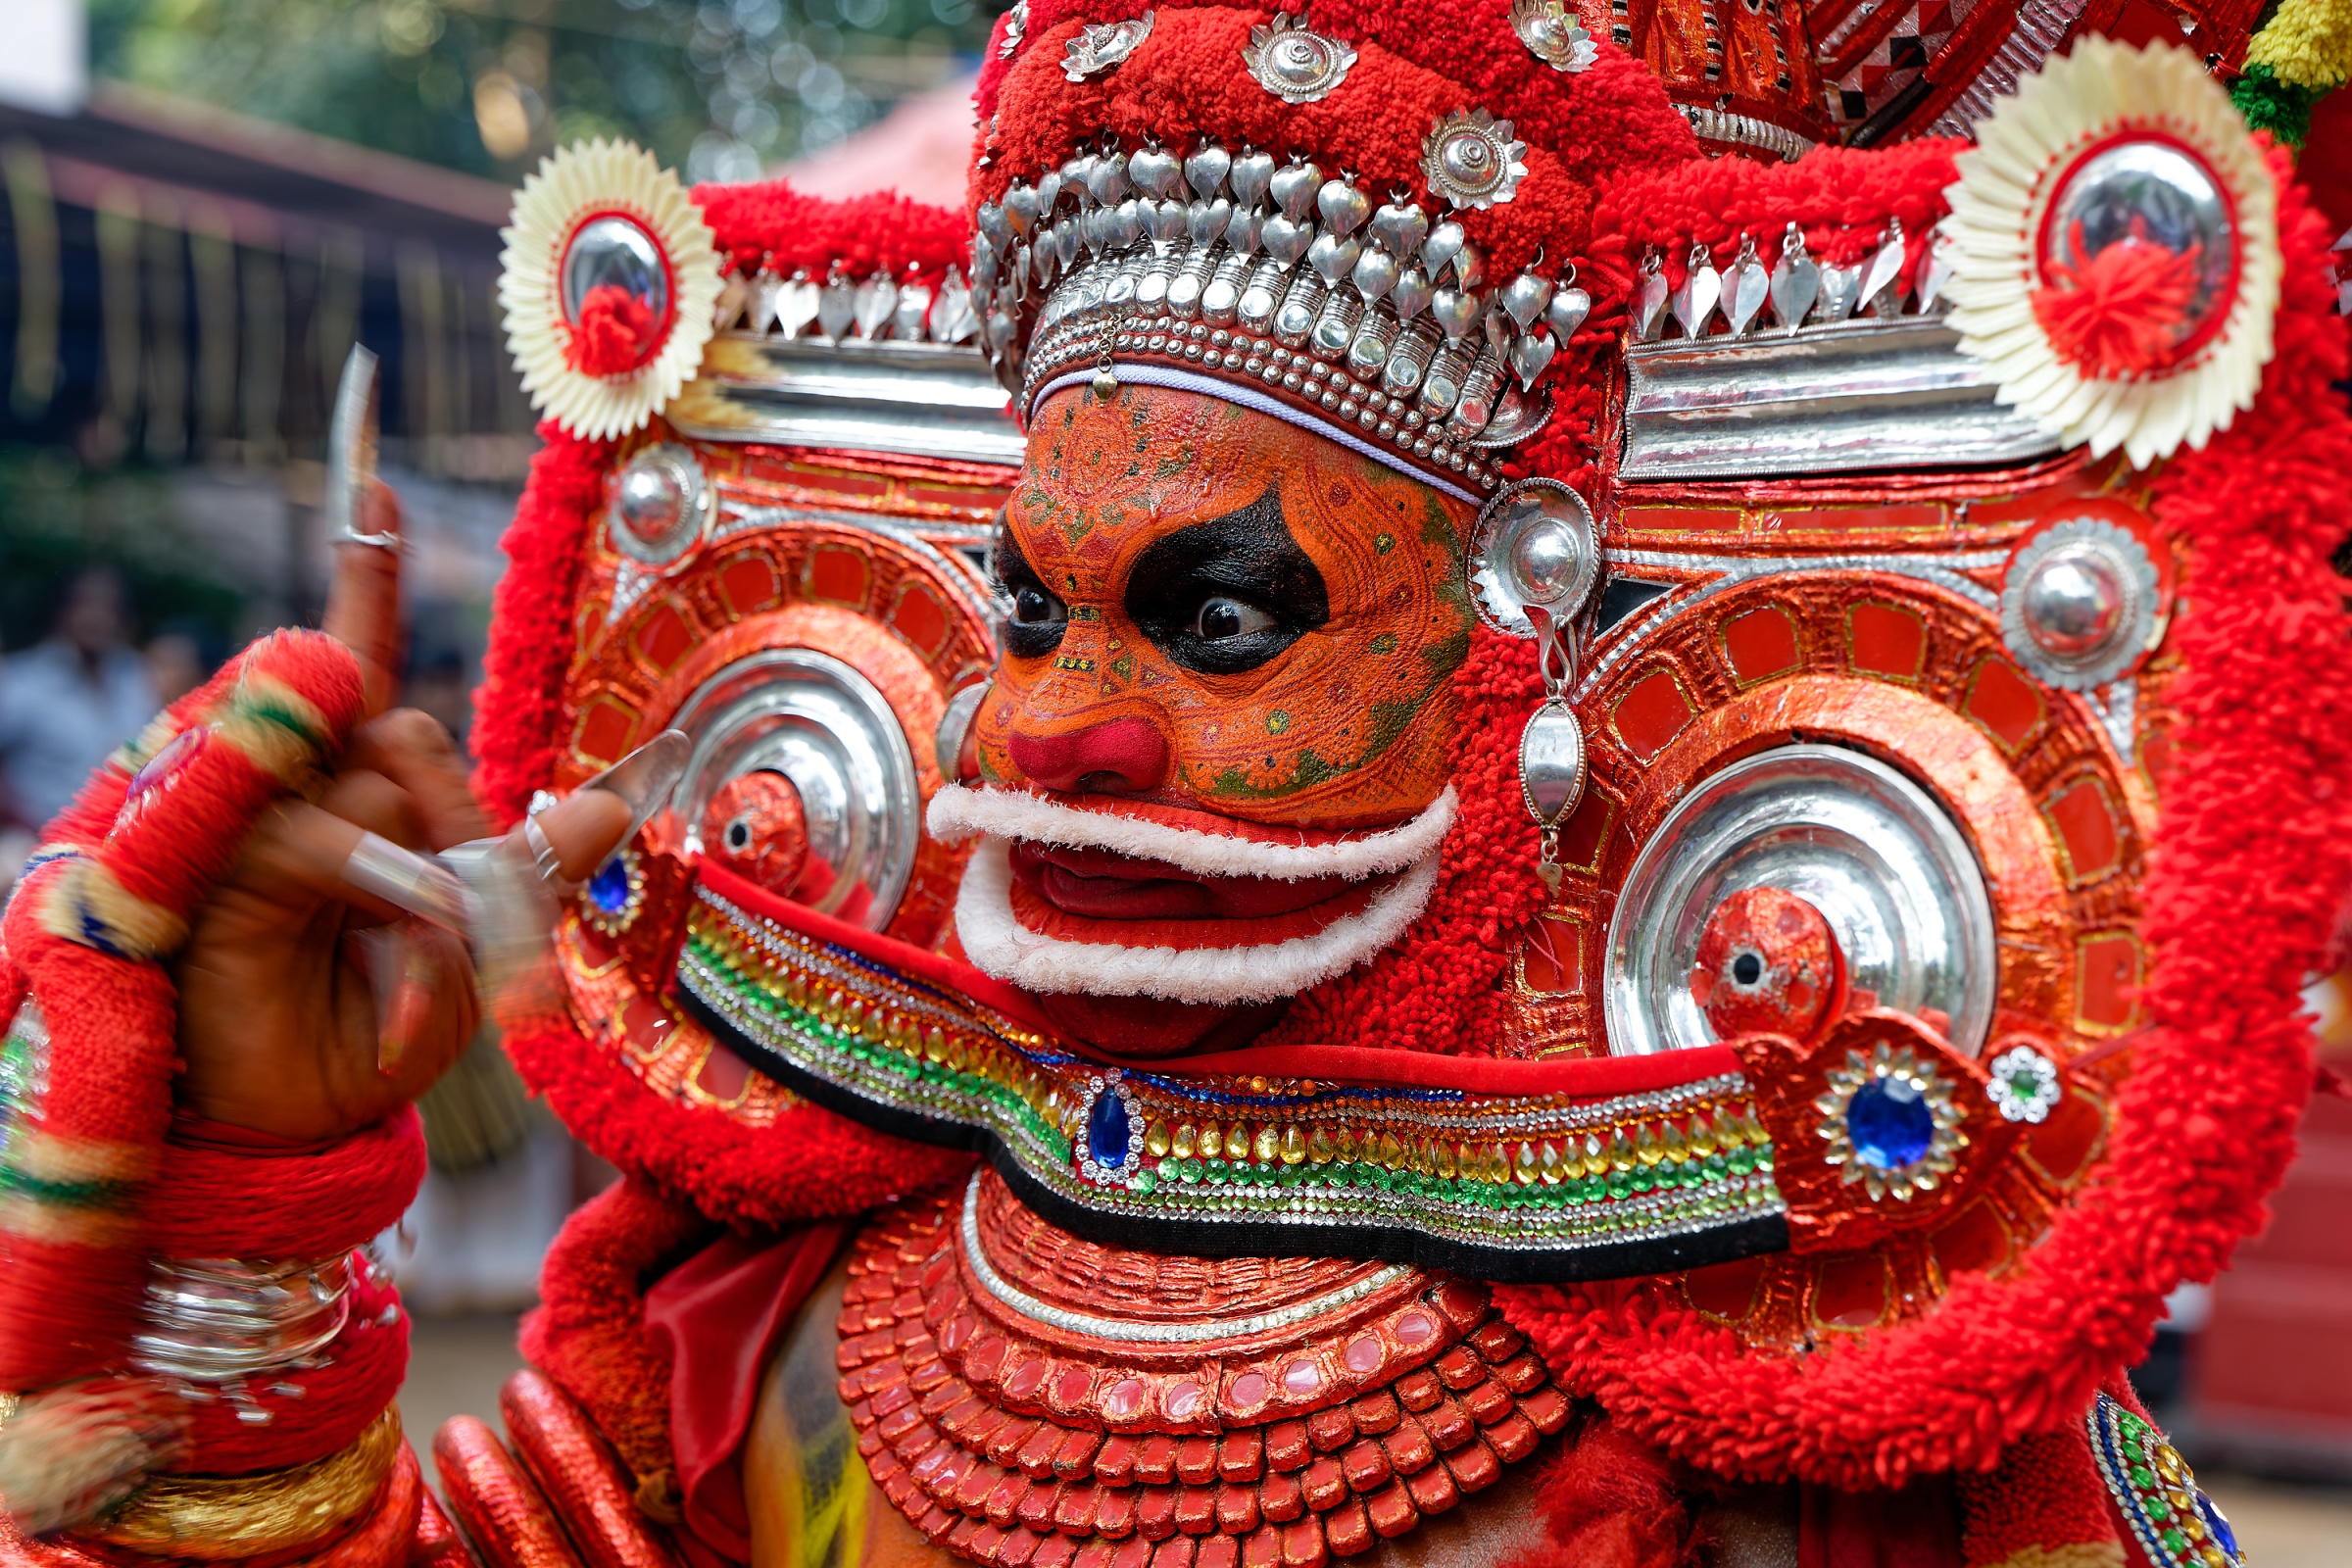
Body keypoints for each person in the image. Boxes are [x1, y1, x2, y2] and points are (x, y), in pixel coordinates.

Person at [2, 8, 2348, 1568]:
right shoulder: (777, 1318)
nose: (1044, 735)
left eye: (1215, 617)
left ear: (1508, 637)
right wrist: (245, 1199)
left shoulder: (1819, 1408)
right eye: (1025, 609)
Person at [0, 566, 158, 835]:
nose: (95, 618)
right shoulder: (22, 681)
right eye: (84, 604)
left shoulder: (137, 681)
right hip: (32, 852)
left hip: (112, 853)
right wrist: (24, 826)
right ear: (62, 613)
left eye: (109, 608)